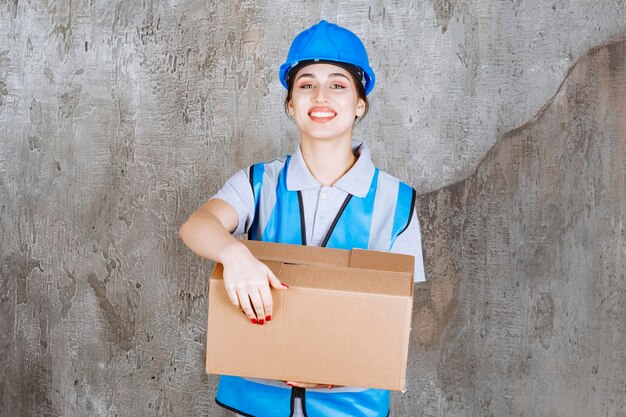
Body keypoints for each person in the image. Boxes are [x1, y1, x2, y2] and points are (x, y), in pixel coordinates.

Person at [179, 20, 425, 417]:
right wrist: (235, 256)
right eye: (307, 84)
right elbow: (196, 226)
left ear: (360, 103)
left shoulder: (398, 201)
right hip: (254, 401)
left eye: (338, 84)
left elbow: (395, 321)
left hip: (350, 405)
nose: (321, 96)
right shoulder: (258, 183)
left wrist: (333, 367)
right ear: (291, 104)